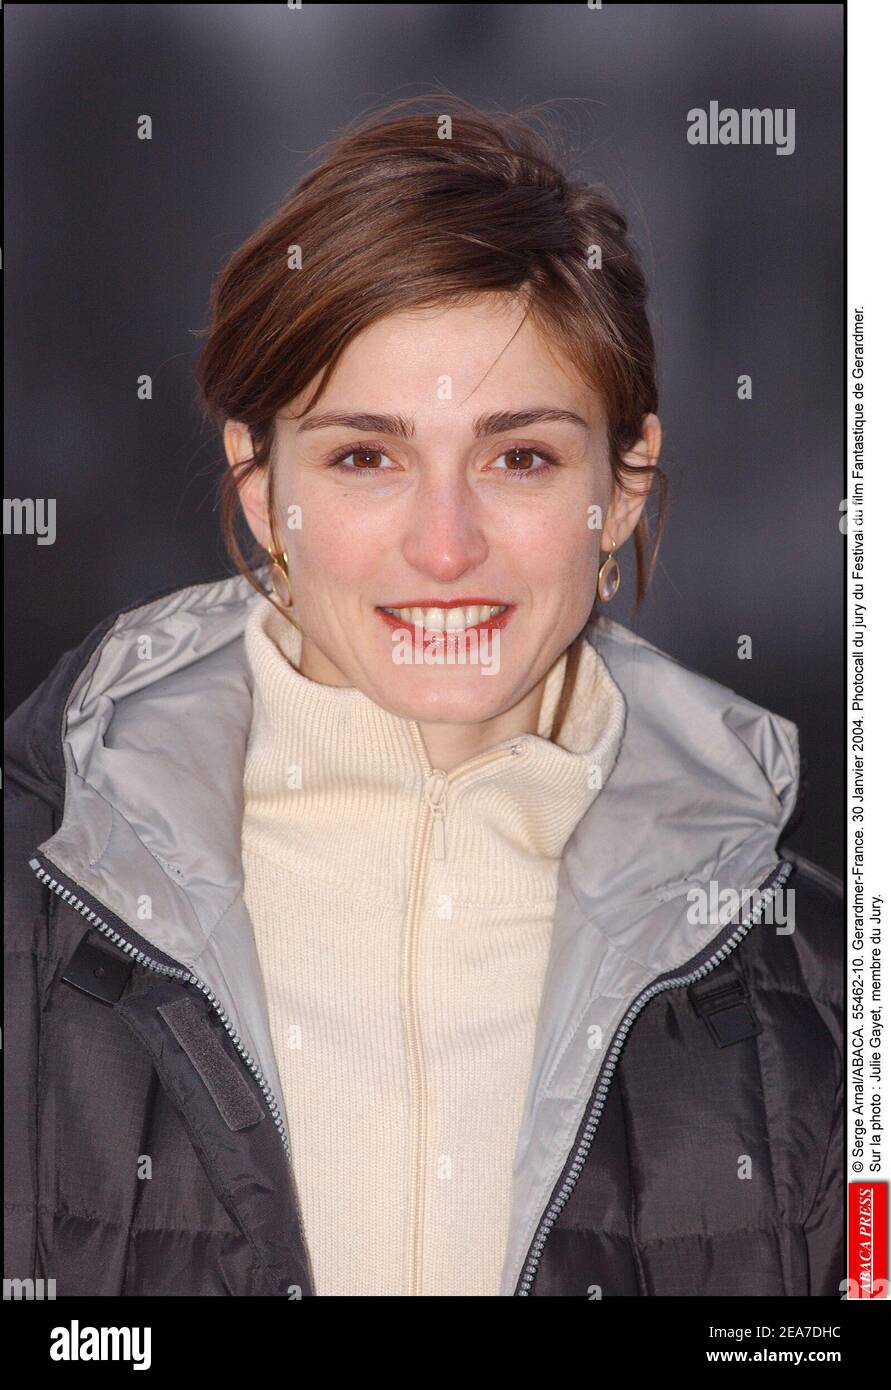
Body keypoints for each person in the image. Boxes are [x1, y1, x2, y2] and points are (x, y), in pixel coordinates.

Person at [4, 97, 843, 1298]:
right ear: (258, 488)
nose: (445, 547)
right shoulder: (29, 916)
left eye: (521, 457)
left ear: (621, 489)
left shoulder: (821, 989)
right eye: (365, 456)